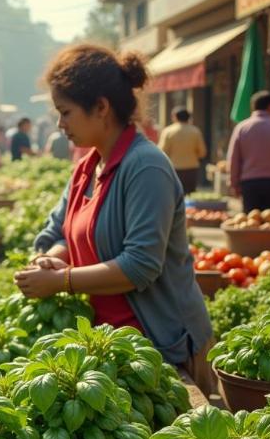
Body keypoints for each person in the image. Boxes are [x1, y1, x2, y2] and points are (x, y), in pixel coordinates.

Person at [14, 44, 212, 393]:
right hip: (109, 348)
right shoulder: (86, 167)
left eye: (66, 112)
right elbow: (59, 230)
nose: (60, 125)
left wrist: (62, 281)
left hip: (160, 349)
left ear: (101, 107)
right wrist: (52, 258)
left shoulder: (146, 167)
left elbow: (140, 265)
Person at [158, 107, 207, 195]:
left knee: (174, 196)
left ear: (175, 117)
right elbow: (202, 153)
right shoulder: (195, 131)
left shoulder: (168, 131)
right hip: (192, 169)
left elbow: (161, 152)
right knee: (190, 196)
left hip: (173, 168)